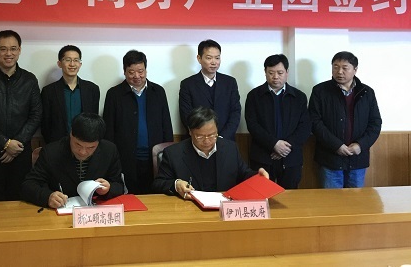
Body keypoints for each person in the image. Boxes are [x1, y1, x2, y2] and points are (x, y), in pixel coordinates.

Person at [0, 30, 42, 201]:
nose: (8, 53)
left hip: (21, 153)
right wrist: (5, 143)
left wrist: (15, 145)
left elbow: (36, 114)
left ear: (19, 50)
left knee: (20, 201)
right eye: (3, 49)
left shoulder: (29, 80)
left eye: (13, 48)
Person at [152, 107, 268, 198]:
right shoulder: (173, 153)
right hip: (189, 209)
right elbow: (158, 184)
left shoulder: (230, 148)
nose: (207, 141)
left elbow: (244, 174)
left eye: (212, 135)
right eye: (200, 136)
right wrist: (176, 184)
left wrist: (258, 177)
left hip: (223, 208)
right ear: (190, 132)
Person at [103, 49, 173, 194]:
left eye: (140, 71)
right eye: (131, 72)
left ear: (146, 70)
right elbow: (108, 130)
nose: (137, 76)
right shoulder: (114, 94)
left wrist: (167, 154)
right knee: (129, 197)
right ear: (124, 71)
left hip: (154, 158)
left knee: (155, 197)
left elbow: (166, 124)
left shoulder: (158, 91)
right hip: (125, 158)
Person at [309, 51, 382, 188]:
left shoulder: (367, 92)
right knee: (332, 199)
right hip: (330, 158)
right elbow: (315, 122)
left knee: (356, 200)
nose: (339, 72)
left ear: (355, 69)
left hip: (357, 158)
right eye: (335, 67)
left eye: (344, 68)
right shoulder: (320, 91)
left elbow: (375, 123)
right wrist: (336, 145)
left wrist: (360, 145)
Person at [21, 112, 124, 208]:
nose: (83, 152)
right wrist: (48, 197)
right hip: (60, 211)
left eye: (91, 147)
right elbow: (28, 185)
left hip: (94, 211)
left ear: (99, 142)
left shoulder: (109, 150)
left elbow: (119, 185)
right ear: (71, 134)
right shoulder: (51, 152)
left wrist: (108, 189)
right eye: (78, 144)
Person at [244, 54, 310, 189]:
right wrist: (274, 144)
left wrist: (285, 147)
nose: (275, 77)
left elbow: (305, 126)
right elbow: (252, 125)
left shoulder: (299, 97)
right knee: (261, 194)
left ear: (287, 72)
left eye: (280, 73)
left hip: (291, 158)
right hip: (262, 157)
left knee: (289, 197)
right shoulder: (254, 96)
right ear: (265, 72)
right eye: (271, 73)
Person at [179, 39, 241, 140]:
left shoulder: (230, 82)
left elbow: (235, 112)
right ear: (199, 58)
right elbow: (186, 116)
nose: (214, 62)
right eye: (209, 58)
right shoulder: (188, 84)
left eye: (217, 58)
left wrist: (222, 137)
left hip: (225, 140)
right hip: (198, 140)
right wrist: (205, 137)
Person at [40, 45, 100, 144]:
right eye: (68, 60)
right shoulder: (48, 91)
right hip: (57, 144)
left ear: (80, 64)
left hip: (84, 144)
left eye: (76, 60)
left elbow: (94, 121)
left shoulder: (92, 89)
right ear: (59, 63)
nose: (72, 64)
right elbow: (45, 123)